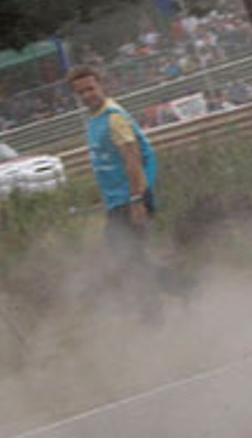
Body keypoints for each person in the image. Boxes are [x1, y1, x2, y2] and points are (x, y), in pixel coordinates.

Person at [67, 63, 185, 317]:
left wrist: (137, 200)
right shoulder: (95, 119)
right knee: (129, 259)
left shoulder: (114, 118)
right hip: (117, 201)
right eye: (81, 92)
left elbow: (133, 159)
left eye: (90, 88)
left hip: (131, 198)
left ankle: (157, 310)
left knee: (129, 259)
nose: (87, 95)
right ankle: (179, 294)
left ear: (101, 86)